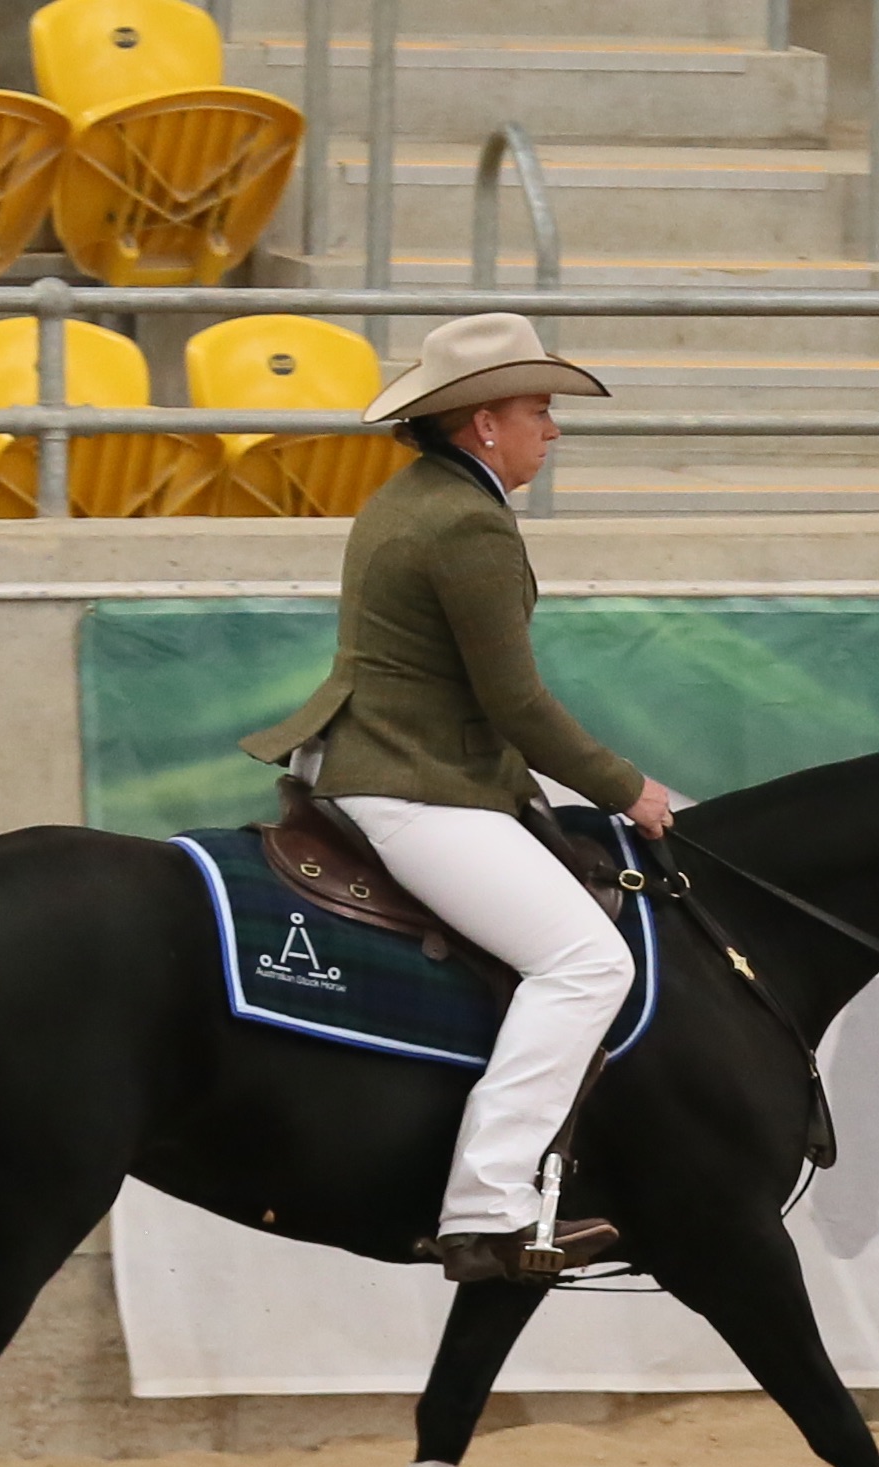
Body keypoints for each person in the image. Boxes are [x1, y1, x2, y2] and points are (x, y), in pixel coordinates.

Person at [241, 311, 677, 1285]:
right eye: (537, 410)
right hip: (415, 784)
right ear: (484, 422)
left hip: (408, 761)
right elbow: (515, 702)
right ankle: (486, 1205)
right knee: (586, 963)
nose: (551, 430)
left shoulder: (412, 495)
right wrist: (628, 788)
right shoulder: (467, 522)